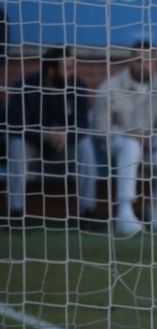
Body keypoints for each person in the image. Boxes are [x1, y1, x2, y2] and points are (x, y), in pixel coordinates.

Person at [5, 48, 101, 226]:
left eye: (73, 67)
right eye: (67, 68)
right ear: (51, 70)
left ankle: (87, 212)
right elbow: (15, 124)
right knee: (17, 145)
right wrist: (44, 133)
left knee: (85, 146)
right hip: (33, 147)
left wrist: (64, 134)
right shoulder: (25, 86)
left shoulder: (78, 86)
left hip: (64, 148)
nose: (72, 73)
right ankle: (16, 213)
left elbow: (82, 126)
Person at [97, 40, 157, 237]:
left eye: (149, 60)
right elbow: (101, 131)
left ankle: (155, 206)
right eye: (139, 60)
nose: (144, 65)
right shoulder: (110, 87)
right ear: (129, 61)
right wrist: (128, 135)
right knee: (131, 147)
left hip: (150, 147)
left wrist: (155, 140)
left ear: (155, 62)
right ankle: (125, 211)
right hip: (116, 145)